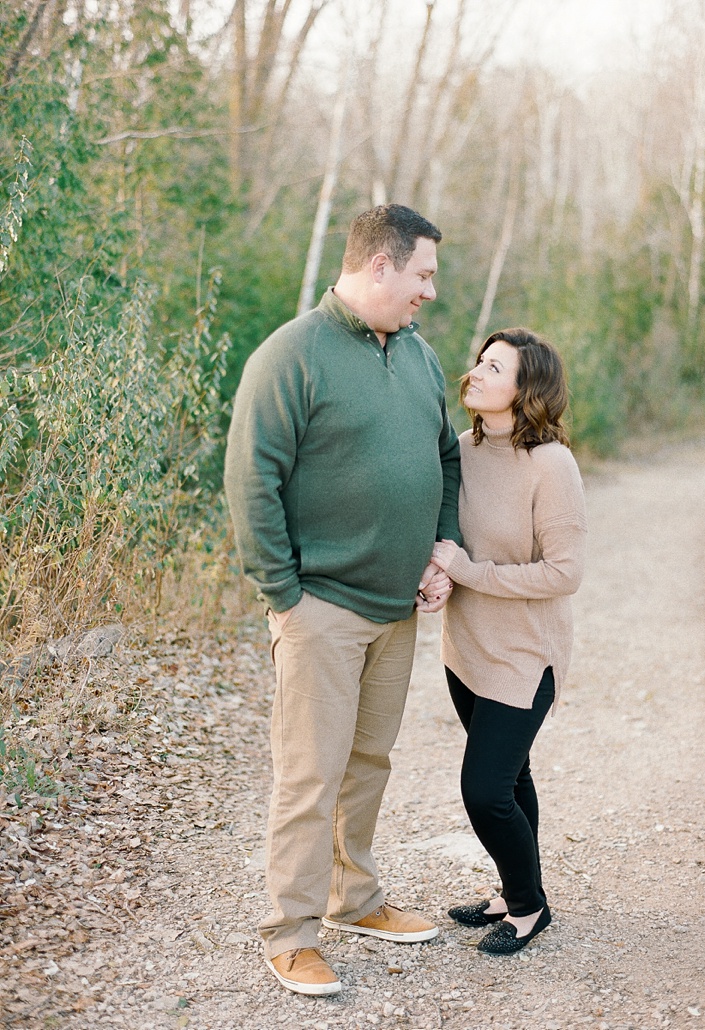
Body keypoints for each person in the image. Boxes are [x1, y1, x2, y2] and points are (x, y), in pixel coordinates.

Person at [224, 204, 462, 996]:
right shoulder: (291, 355)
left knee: (366, 763)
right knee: (309, 773)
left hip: (396, 606)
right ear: (380, 267)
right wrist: (284, 595)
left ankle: (350, 897)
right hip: (320, 604)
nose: (430, 290)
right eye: (423, 273)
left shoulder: (420, 357)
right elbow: (249, 478)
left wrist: (440, 546)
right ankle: (288, 933)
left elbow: (443, 461)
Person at [430, 327, 587, 956]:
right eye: (479, 362)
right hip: (465, 648)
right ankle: (515, 888)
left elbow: (565, 572)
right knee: (512, 776)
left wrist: (467, 571)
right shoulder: (462, 449)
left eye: (496, 368)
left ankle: (529, 908)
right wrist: (438, 572)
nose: (477, 373)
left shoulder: (551, 464)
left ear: (527, 391)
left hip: (525, 656)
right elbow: (445, 531)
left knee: (485, 791)